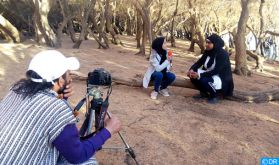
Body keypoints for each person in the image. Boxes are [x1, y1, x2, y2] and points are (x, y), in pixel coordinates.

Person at [0, 50, 121, 164]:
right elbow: (77, 155)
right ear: (59, 81)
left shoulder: (16, 90)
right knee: (88, 162)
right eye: (68, 74)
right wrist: (108, 130)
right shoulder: (57, 109)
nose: (71, 78)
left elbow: (41, 115)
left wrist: (60, 97)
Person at [187, 34, 234, 104]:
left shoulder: (223, 54)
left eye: (209, 43)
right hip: (210, 73)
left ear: (215, 43)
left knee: (203, 79)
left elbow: (216, 71)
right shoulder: (208, 52)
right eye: (206, 42)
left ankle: (214, 96)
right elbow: (199, 63)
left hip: (220, 77)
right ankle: (204, 93)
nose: (206, 44)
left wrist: (199, 75)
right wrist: (191, 70)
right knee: (192, 75)